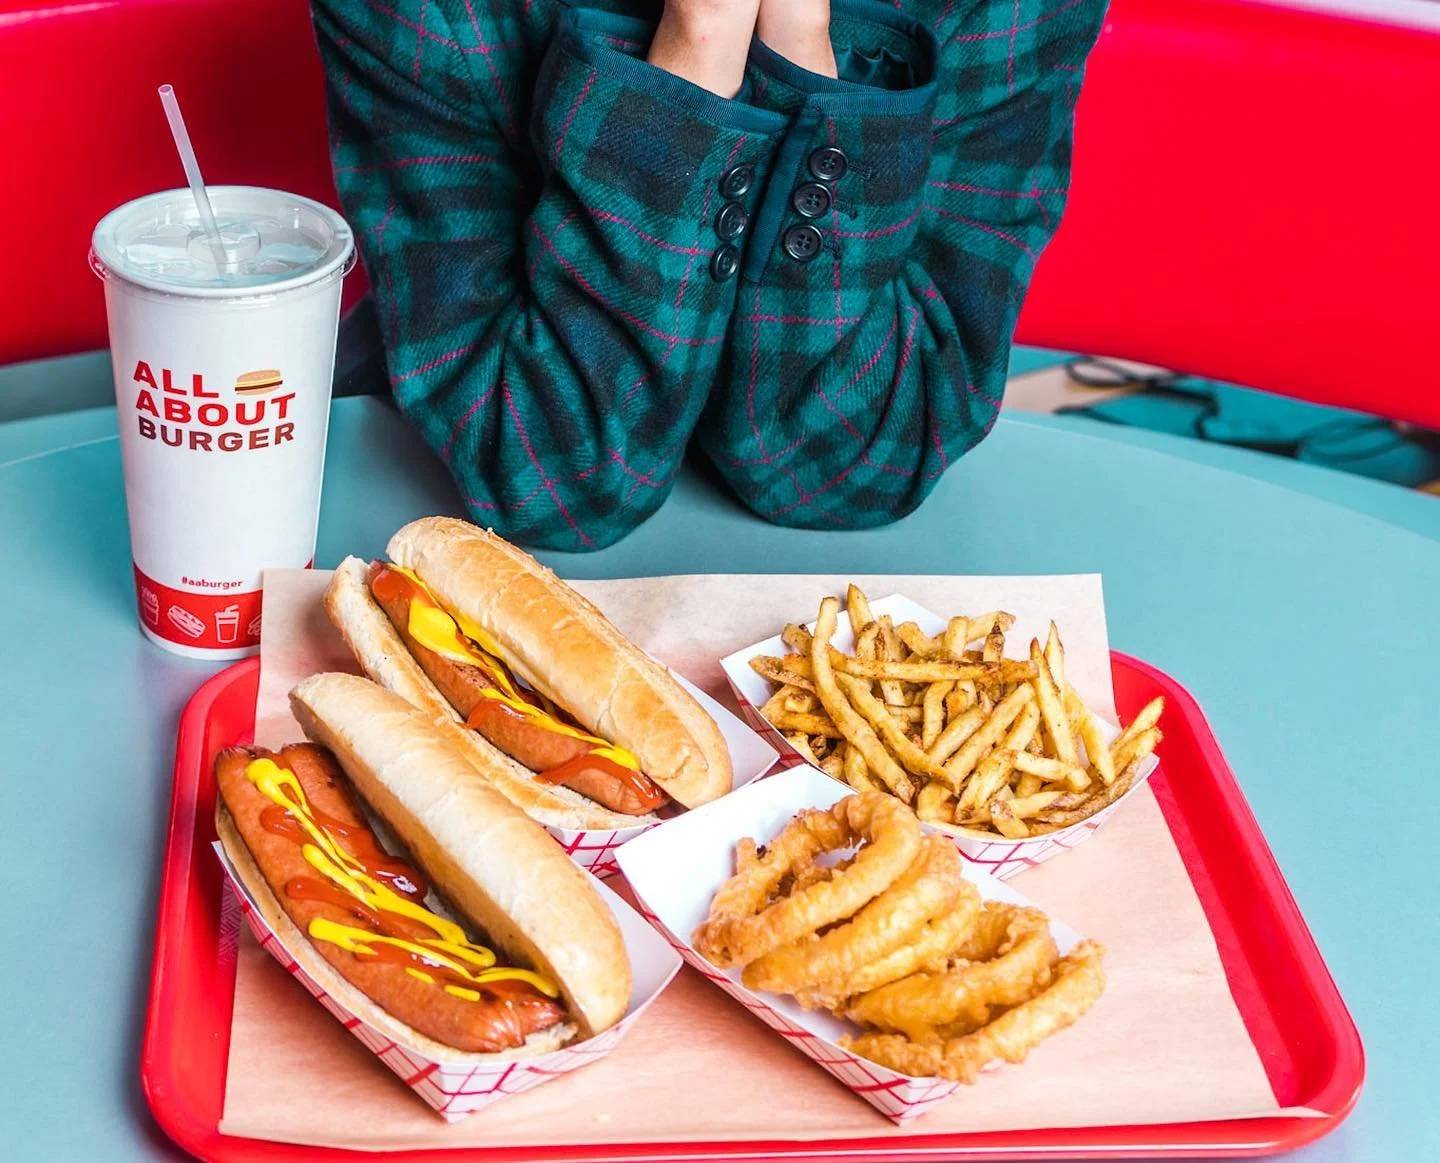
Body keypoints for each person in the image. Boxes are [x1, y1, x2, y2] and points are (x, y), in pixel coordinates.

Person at [314, 0, 1107, 550]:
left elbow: (849, 467)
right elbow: (554, 480)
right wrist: (698, 41)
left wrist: (802, 46)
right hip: (410, 505)